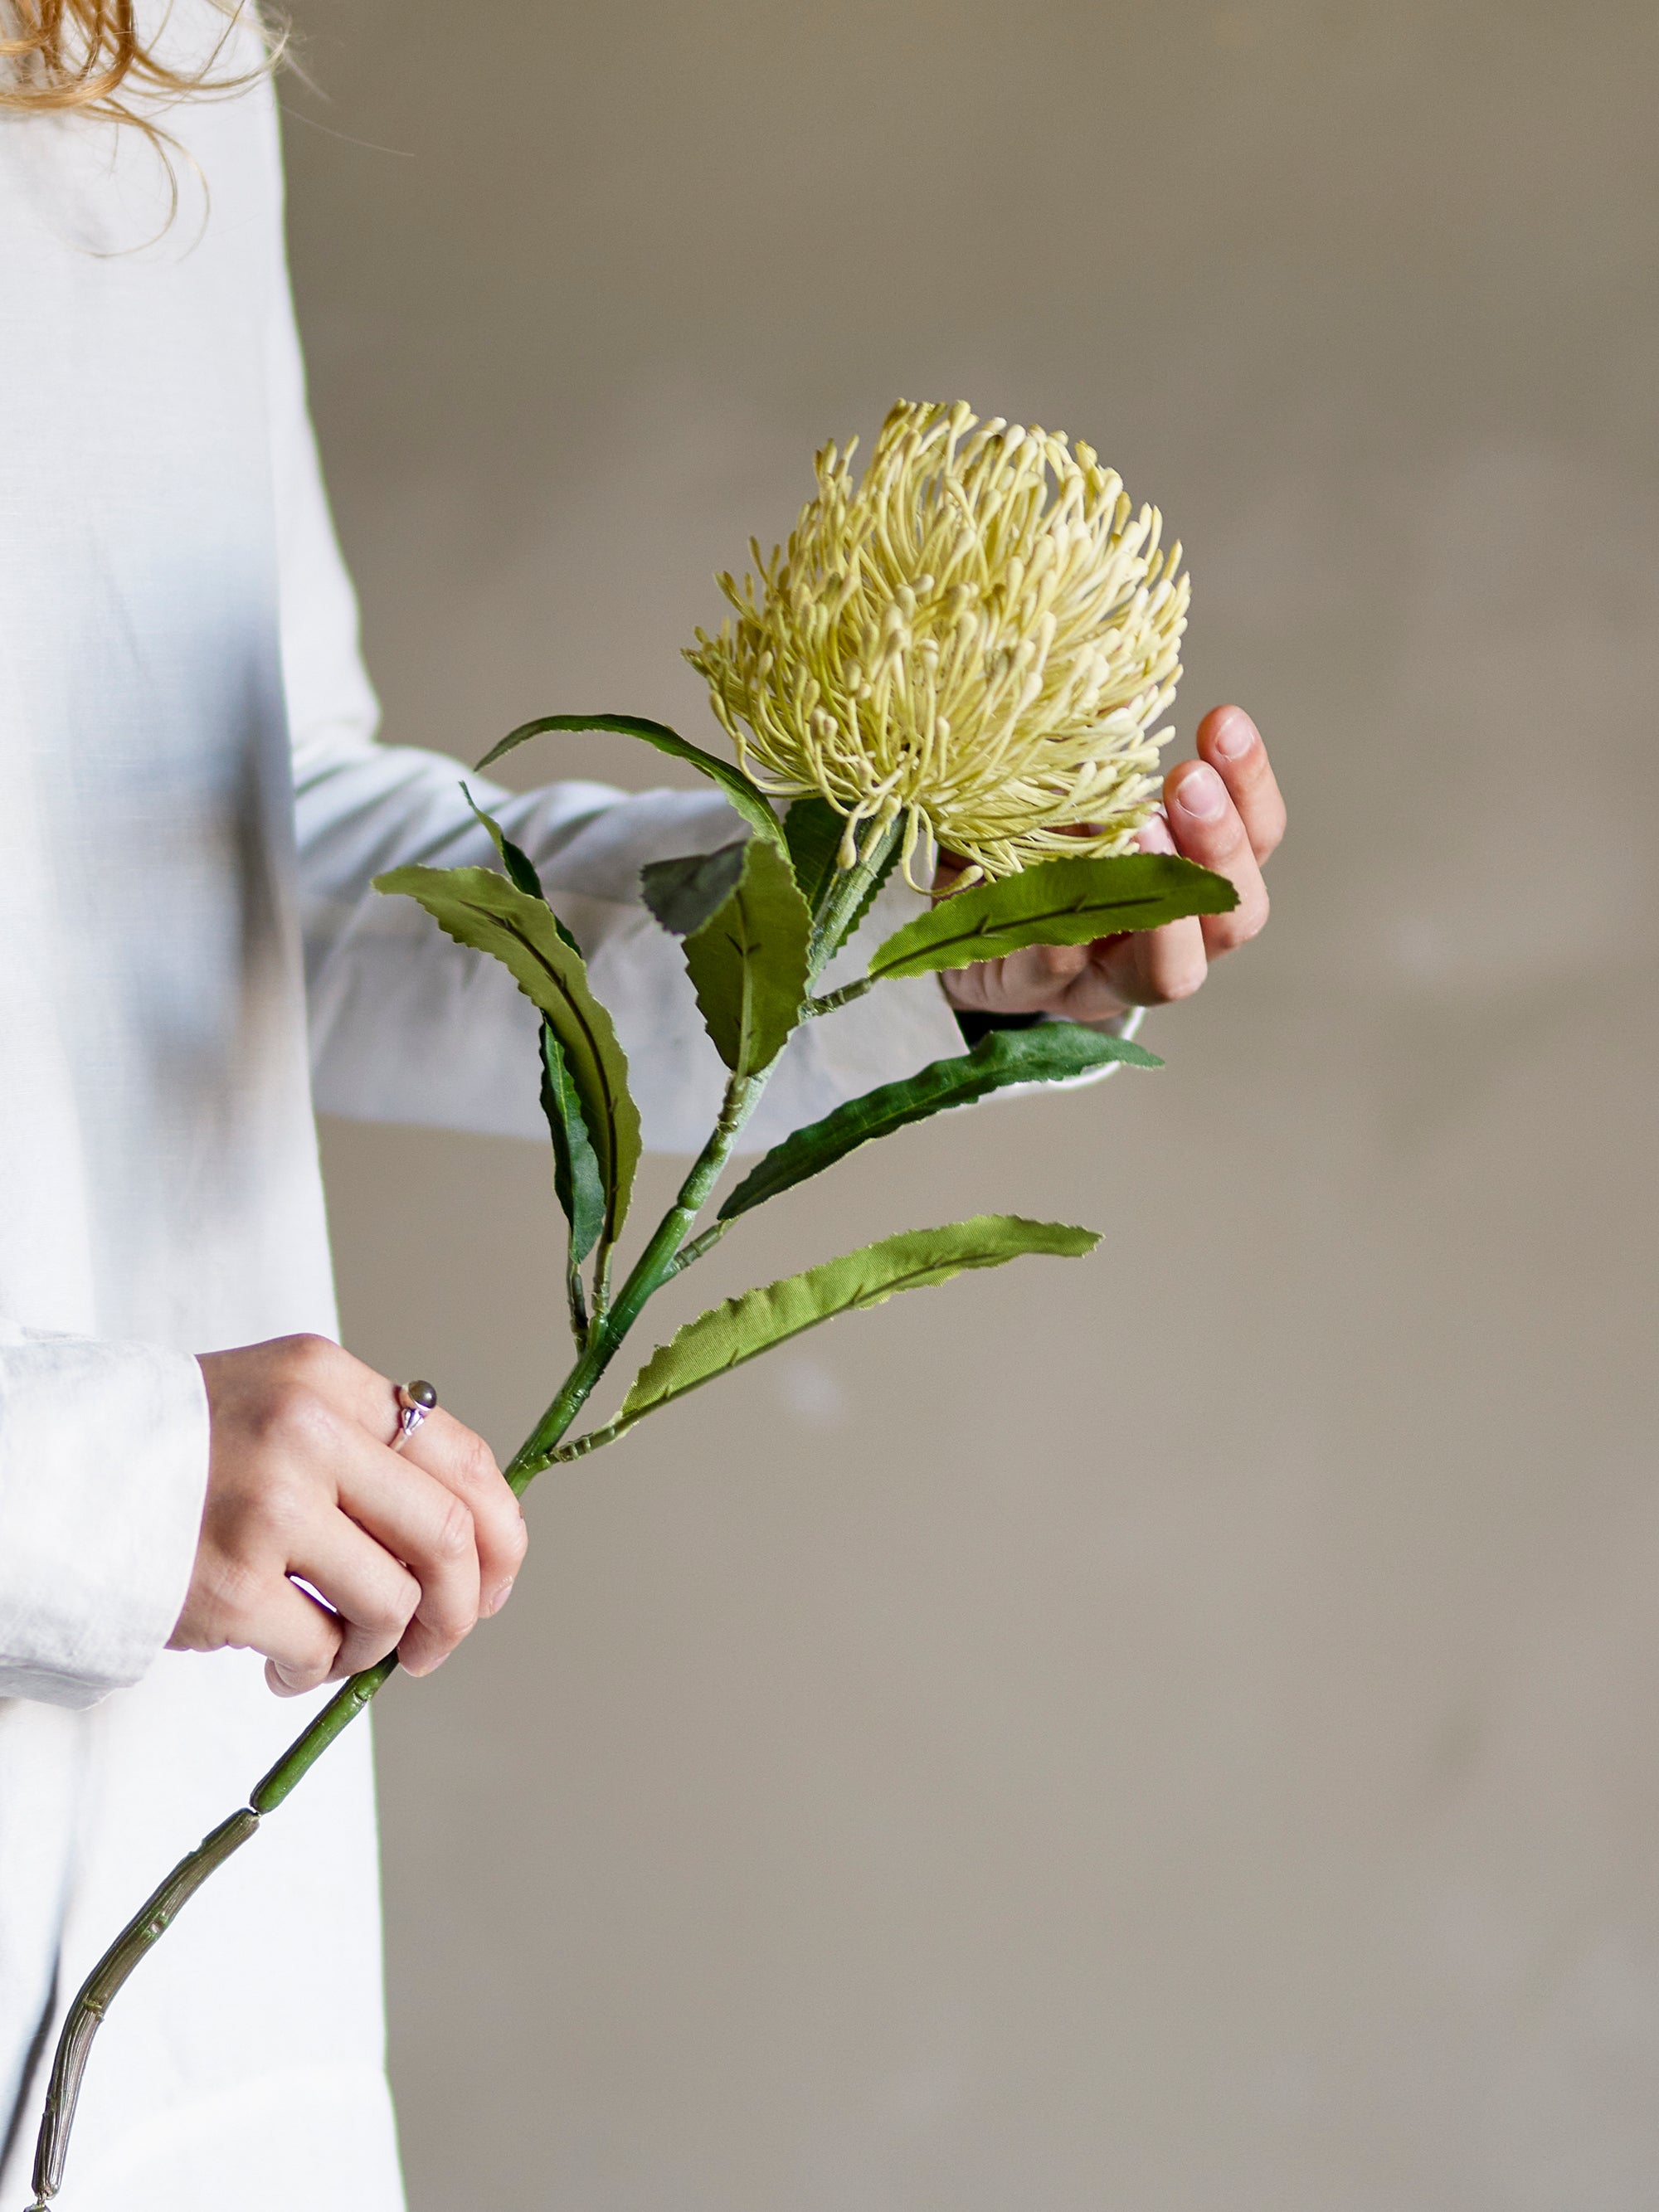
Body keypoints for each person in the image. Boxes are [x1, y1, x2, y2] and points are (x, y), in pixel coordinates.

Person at [0, 4, 1286, 2206]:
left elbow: (239, 847)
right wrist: (90, 1484)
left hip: (150, 1975)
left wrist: (888, 930)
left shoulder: (139, 48)